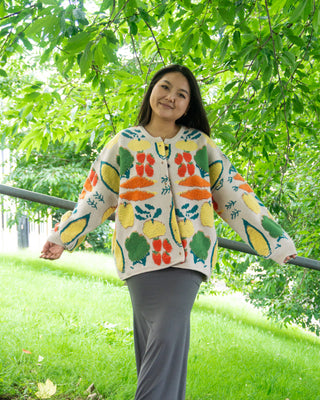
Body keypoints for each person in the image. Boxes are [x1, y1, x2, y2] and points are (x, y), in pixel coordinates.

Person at [41, 64, 296, 400]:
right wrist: (62, 236)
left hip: (189, 260)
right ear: (151, 91)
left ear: (188, 106)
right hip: (139, 257)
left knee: (164, 343)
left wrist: (277, 243)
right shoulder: (125, 143)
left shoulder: (200, 145)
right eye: (165, 87)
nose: (170, 98)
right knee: (156, 350)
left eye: (181, 94)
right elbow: (97, 196)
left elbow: (235, 195)